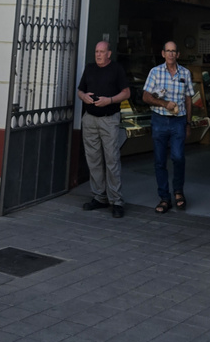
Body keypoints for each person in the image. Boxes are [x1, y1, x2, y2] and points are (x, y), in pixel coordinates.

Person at [77, 40, 130, 218]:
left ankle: (116, 201)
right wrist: (84, 96)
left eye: (102, 51)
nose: (98, 54)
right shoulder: (90, 68)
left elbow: (126, 92)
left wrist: (110, 100)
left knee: (111, 159)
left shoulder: (116, 69)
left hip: (109, 120)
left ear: (109, 54)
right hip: (90, 119)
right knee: (93, 159)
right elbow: (80, 91)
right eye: (96, 51)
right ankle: (99, 197)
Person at [142, 42, 194, 213]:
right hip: (159, 120)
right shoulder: (155, 72)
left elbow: (188, 100)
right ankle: (164, 197)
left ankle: (178, 191)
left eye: (174, 51)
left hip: (178, 121)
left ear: (178, 54)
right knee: (159, 160)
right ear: (163, 53)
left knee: (178, 157)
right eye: (168, 51)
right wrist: (164, 104)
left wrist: (188, 123)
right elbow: (146, 97)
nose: (171, 54)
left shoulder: (185, 73)